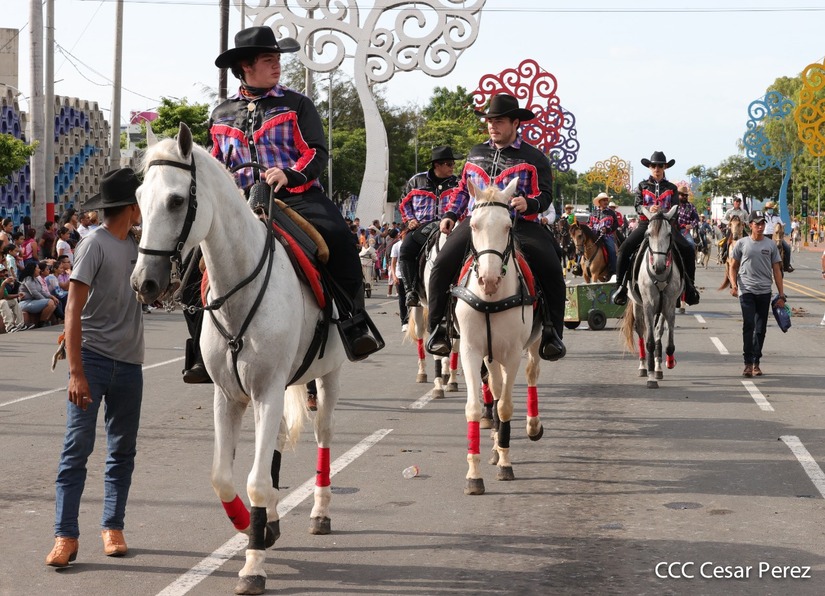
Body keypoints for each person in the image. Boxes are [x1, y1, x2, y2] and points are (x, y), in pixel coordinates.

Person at [178, 26, 380, 383]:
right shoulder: (221, 113)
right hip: (241, 203)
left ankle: (354, 324)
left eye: (277, 59)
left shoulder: (297, 103)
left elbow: (317, 152)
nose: (277, 65)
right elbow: (216, 164)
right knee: (192, 263)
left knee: (340, 239)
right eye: (268, 59)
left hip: (296, 195)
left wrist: (289, 173)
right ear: (246, 66)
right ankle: (199, 349)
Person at [45, 168, 145, 567]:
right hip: (93, 362)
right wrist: (76, 372)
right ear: (132, 206)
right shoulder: (93, 245)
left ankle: (112, 527)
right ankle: (65, 536)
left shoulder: (139, 245)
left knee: (122, 451)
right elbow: (72, 308)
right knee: (77, 449)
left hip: (131, 363)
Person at [425, 93, 566, 361]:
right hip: (477, 224)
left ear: (515, 123)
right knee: (441, 263)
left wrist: (530, 203)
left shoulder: (535, 157)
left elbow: (545, 195)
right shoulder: (476, 153)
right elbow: (462, 189)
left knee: (551, 266)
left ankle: (552, 333)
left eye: (499, 121)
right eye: (490, 121)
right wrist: (451, 214)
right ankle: (439, 328)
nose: (492, 126)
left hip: (519, 224)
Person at [611, 151, 699, 306]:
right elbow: (637, 205)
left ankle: (689, 288)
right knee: (624, 249)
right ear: (649, 167)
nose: (656, 168)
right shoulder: (642, 186)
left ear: (665, 167)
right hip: (646, 225)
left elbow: (676, 208)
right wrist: (648, 209)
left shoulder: (672, 188)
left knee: (688, 249)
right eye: (653, 165)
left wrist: (663, 212)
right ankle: (620, 288)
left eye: (660, 166)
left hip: (666, 225)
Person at [397, 145, 461, 306]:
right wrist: (409, 220)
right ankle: (410, 291)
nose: (453, 167)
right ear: (437, 165)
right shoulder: (416, 181)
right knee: (405, 251)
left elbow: (464, 204)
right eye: (449, 164)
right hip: (421, 228)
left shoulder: (458, 183)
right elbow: (403, 203)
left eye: (453, 163)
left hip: (449, 227)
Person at [728, 210, 786, 378]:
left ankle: (756, 362)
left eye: (762, 224)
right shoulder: (742, 243)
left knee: (760, 329)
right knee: (749, 325)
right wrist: (734, 285)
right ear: (750, 225)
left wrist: (781, 294)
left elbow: (777, 270)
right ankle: (747, 363)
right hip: (746, 290)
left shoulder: (771, 245)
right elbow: (733, 266)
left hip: (764, 291)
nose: (760, 227)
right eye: (757, 224)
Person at [18, 261, 59, 326]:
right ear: (33, 269)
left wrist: (51, 296)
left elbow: (41, 291)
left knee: (53, 302)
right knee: (50, 302)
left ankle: (44, 321)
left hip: (33, 301)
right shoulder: (28, 279)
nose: (39, 270)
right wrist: (44, 300)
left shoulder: (35, 279)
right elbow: (34, 292)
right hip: (26, 302)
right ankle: (41, 323)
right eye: (38, 268)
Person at [591, 192, 618, 276]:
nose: (606, 202)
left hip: (607, 236)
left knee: (612, 250)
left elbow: (616, 225)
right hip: (594, 235)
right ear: (599, 202)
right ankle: (578, 266)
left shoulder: (611, 213)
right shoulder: (593, 212)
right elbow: (589, 223)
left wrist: (608, 229)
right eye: (604, 200)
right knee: (583, 246)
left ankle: (613, 271)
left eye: (606, 200)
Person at [762, 200, 793, 272]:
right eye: (769, 208)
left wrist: (782, 227)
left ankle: (787, 265)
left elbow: (781, 226)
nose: (771, 210)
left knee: (787, 248)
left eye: (772, 208)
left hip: (777, 237)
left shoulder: (777, 217)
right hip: (766, 236)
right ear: (767, 209)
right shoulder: (763, 216)